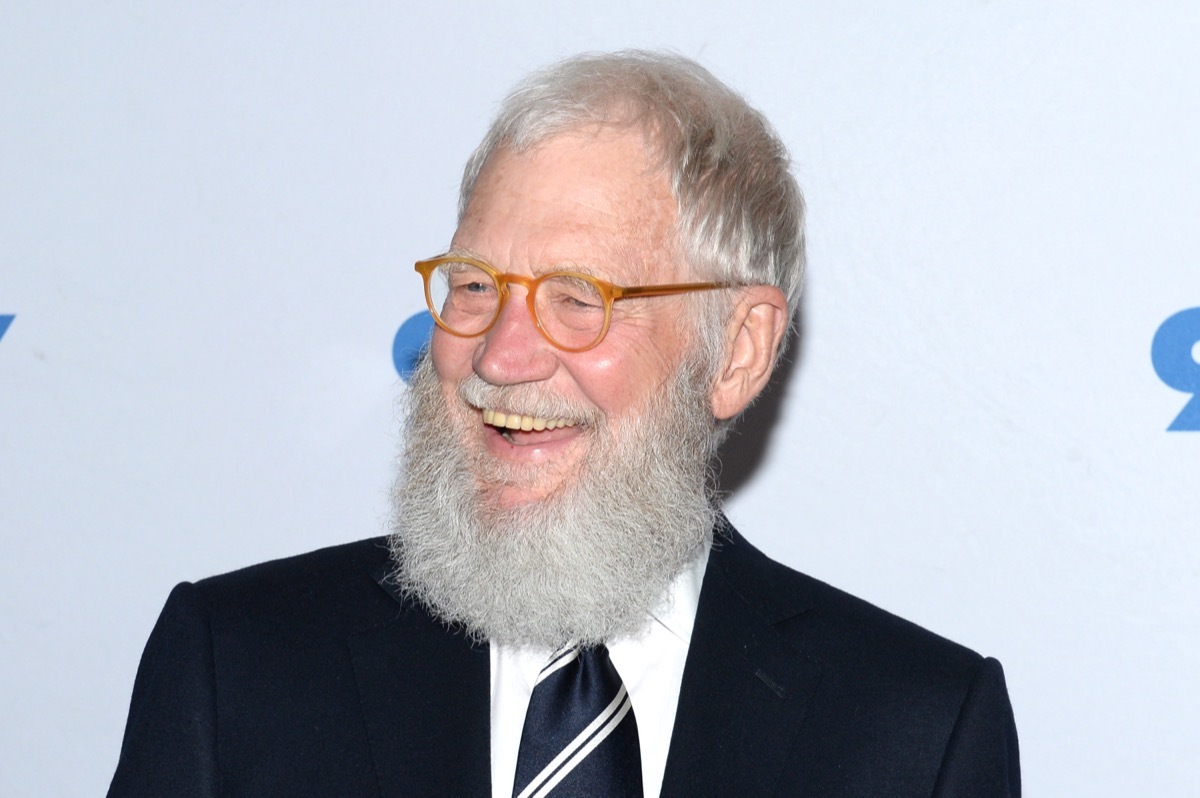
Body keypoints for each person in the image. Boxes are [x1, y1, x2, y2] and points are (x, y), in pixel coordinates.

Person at [109, 51, 1020, 797]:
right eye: (474, 287)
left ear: (738, 350)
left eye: (579, 299)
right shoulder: (236, 667)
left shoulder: (916, 730)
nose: (500, 357)